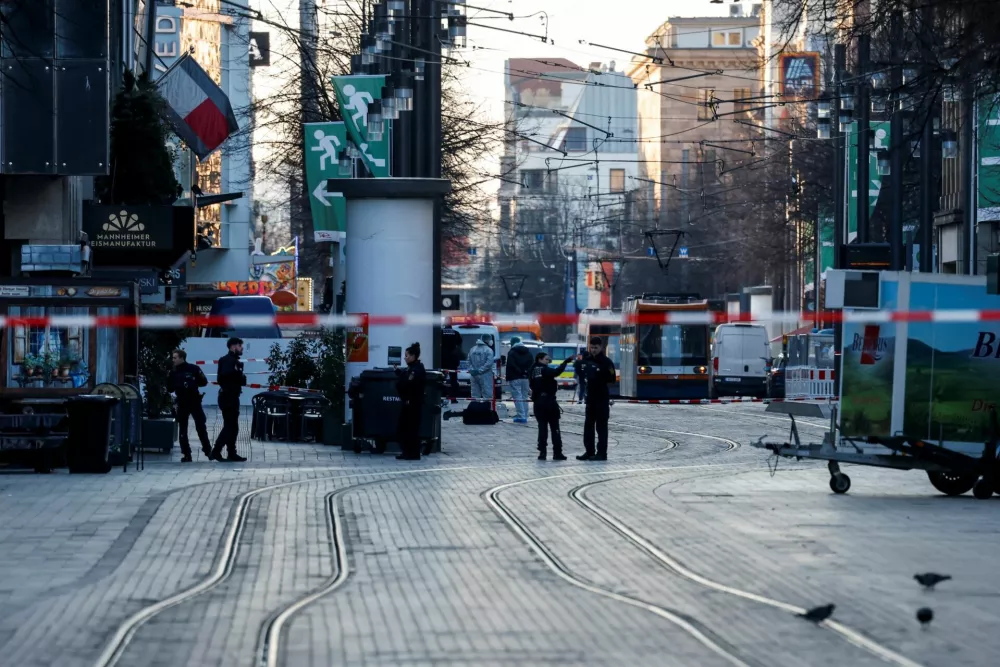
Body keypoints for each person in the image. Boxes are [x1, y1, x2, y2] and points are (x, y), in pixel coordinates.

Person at [577, 336, 617, 461]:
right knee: (588, 426)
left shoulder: (606, 362)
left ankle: (601, 453)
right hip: (590, 398)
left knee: (601, 427)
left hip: (602, 398)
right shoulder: (587, 360)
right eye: (592, 347)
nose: (593, 350)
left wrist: (599, 373)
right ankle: (589, 451)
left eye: (596, 348)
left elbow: (612, 378)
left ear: (601, 347)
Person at [168, 349, 211, 462]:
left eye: (175, 358)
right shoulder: (173, 371)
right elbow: (169, 387)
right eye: (173, 358)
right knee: (183, 429)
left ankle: (208, 450)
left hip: (194, 401)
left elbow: (204, 382)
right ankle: (186, 454)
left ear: (182, 358)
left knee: (201, 426)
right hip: (182, 402)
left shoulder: (193, 368)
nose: (173, 360)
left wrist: (193, 383)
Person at [212, 337, 248, 462]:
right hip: (228, 397)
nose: (241, 348)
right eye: (239, 346)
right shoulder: (229, 361)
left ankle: (231, 452)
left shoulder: (232, 361)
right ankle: (216, 451)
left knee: (233, 426)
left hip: (231, 396)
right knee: (230, 426)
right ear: (233, 346)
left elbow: (240, 380)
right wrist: (239, 375)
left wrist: (240, 375)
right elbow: (226, 376)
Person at [530, 351, 571, 461]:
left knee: (542, 428)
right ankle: (557, 453)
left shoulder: (533, 370)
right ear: (540, 359)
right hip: (549, 402)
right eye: (546, 359)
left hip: (538, 402)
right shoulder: (544, 369)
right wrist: (565, 363)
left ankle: (542, 452)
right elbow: (556, 372)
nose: (548, 361)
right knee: (555, 428)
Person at [394, 342, 427, 460]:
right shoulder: (411, 368)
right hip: (408, 403)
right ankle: (407, 452)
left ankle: (412, 453)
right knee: (404, 429)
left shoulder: (416, 369)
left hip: (413, 403)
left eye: (407, 355)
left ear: (413, 356)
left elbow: (408, 384)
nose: (405, 358)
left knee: (410, 429)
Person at [505, 336, 534, 423]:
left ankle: (521, 416)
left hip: (515, 377)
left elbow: (511, 364)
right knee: (525, 396)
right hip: (525, 378)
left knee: (517, 396)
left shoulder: (512, 352)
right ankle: (525, 415)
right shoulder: (528, 352)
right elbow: (531, 364)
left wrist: (519, 371)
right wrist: (525, 372)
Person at [467, 335, 495, 400]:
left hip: (474, 375)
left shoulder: (472, 349)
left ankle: (476, 409)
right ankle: (487, 409)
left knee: (475, 394)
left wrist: (472, 370)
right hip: (485, 375)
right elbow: (489, 363)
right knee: (487, 395)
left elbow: (468, 361)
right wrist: (480, 370)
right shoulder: (488, 350)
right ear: (487, 340)